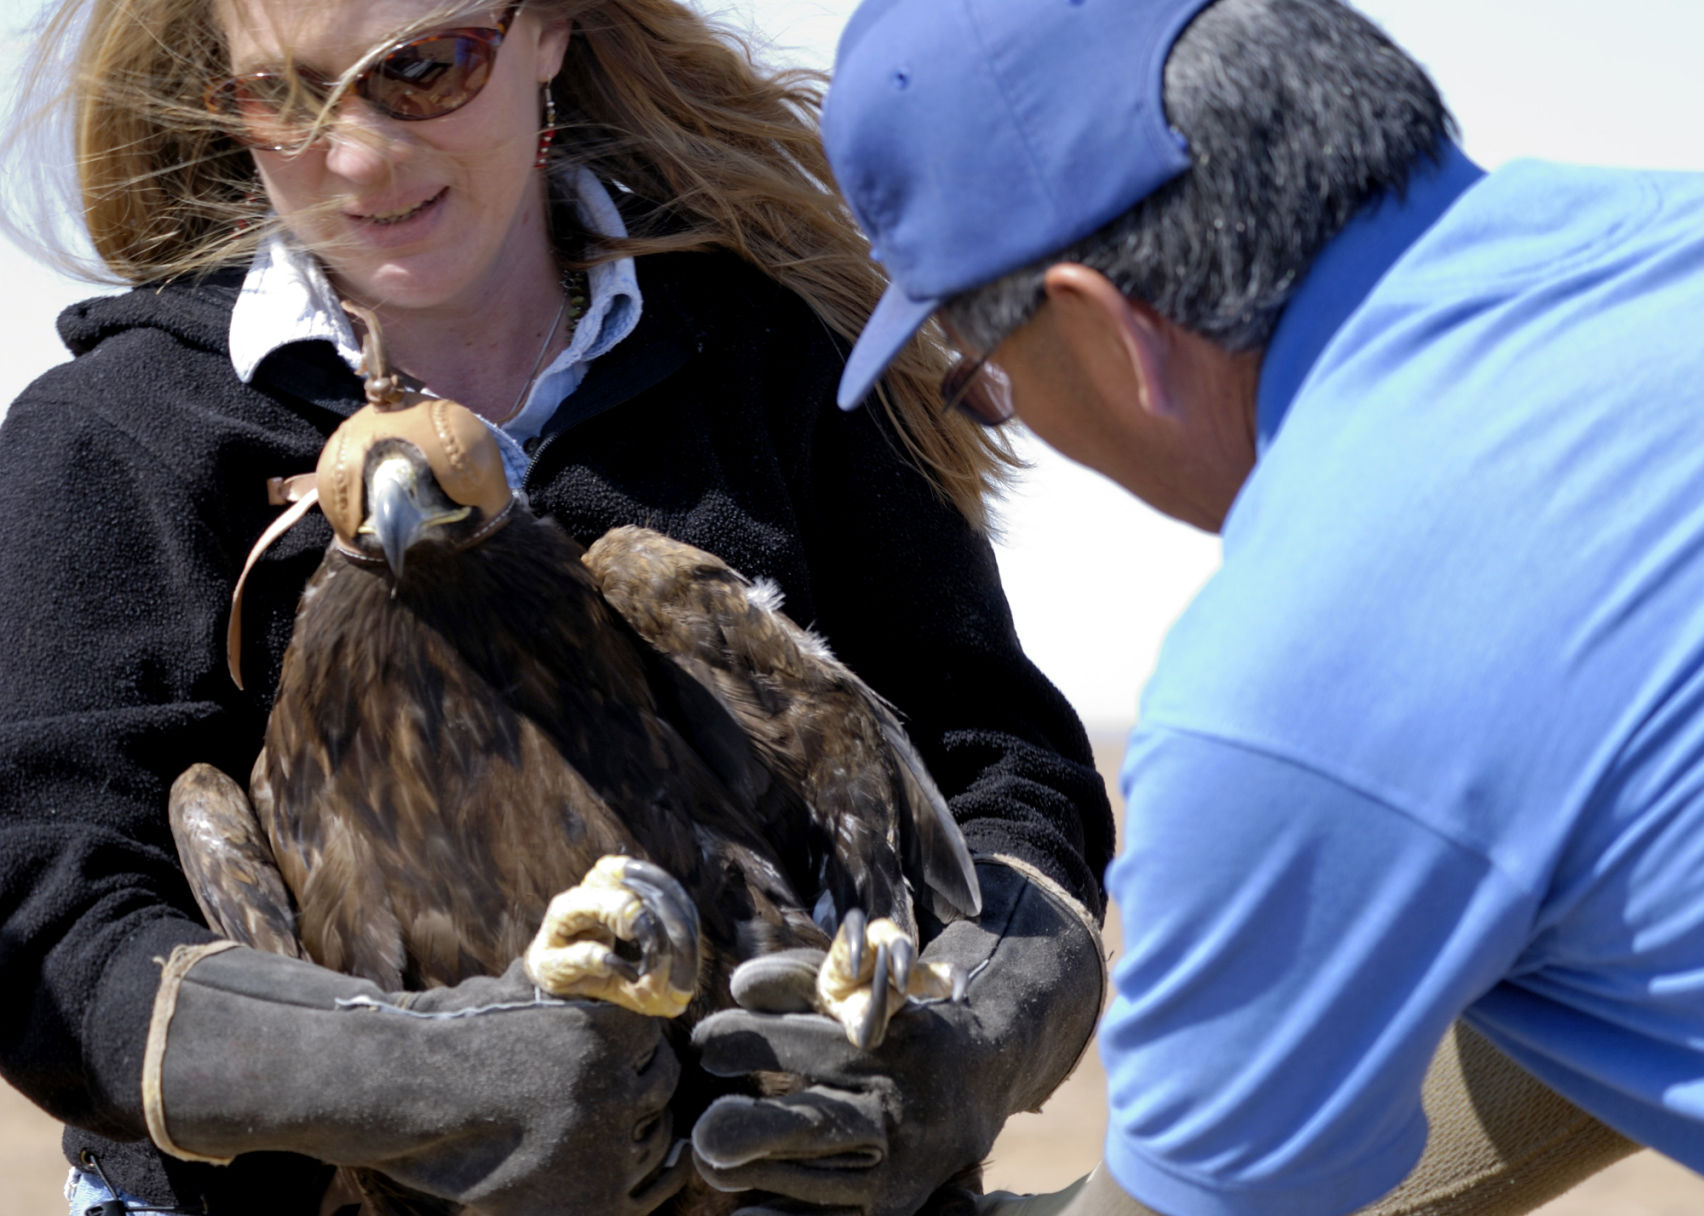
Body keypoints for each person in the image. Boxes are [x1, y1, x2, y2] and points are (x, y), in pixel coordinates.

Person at [0, 1, 1113, 1213]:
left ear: (549, 32)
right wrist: (408, 1079)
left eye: (424, 71)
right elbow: (46, 917)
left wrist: (976, 1032)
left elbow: (1003, 772)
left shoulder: (779, 364)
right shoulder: (117, 441)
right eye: (284, 93)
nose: (360, 156)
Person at [818, 0, 1704, 1214]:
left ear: (1105, 326)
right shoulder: (1668, 235)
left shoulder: (1300, 680)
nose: (1007, 414)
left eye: (986, 379)